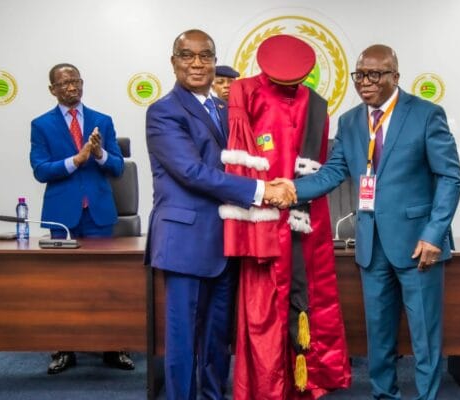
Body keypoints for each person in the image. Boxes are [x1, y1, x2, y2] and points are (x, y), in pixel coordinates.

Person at [286, 44, 460, 400]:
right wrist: (289, 189)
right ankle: (384, 395)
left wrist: (434, 234)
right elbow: (333, 172)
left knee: (424, 336)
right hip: (371, 245)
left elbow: (450, 177)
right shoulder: (350, 121)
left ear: (395, 76)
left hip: (418, 245)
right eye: (360, 75)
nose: (365, 82)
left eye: (375, 74)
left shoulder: (427, 114)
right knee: (378, 335)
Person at [144, 29, 293, 400]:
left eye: (205, 56)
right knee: (183, 340)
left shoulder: (227, 111)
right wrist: (262, 191)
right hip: (186, 241)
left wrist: (276, 174)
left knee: (217, 337)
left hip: (228, 241)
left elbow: (246, 157)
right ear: (173, 62)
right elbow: (192, 172)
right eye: (187, 55)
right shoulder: (164, 112)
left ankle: (213, 395)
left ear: (215, 61)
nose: (197, 64)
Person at [219, 34, 351, 399]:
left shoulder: (316, 104)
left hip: (306, 218)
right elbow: (240, 160)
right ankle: (269, 386)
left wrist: (294, 193)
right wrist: (253, 219)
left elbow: (321, 166)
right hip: (263, 217)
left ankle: (307, 380)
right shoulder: (245, 92)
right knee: (265, 306)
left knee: (313, 295)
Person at [29, 63, 134, 374]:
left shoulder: (103, 120)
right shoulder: (41, 125)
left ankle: (113, 347)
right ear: (52, 90)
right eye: (63, 83)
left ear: (82, 83)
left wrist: (99, 154)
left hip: (98, 215)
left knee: (106, 284)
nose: (71, 87)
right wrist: (76, 160)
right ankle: (64, 347)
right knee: (62, 287)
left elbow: (117, 167)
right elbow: (40, 170)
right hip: (62, 218)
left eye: (75, 81)